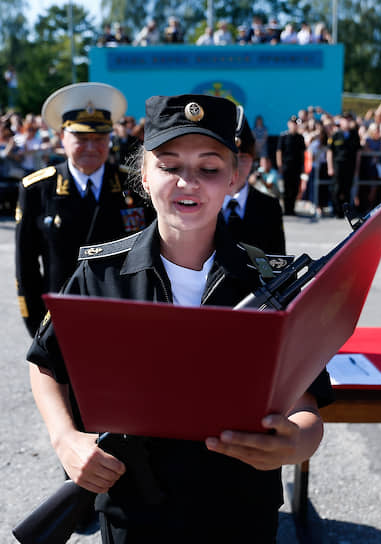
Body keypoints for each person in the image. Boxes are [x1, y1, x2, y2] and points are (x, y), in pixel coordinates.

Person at [26, 93, 333, 543]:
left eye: (209, 168)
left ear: (234, 177)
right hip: (134, 512)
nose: (189, 182)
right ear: (145, 177)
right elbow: (44, 361)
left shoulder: (271, 282)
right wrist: (65, 438)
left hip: (239, 509)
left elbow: (306, 401)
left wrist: (299, 441)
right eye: (169, 166)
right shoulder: (101, 273)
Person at [15, 82, 155, 337]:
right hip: (60, 322)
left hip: (122, 320)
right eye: (81, 138)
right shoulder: (37, 189)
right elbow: (26, 269)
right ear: (61, 137)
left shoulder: (135, 185)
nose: (91, 147)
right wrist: (38, 329)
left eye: (100, 138)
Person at [222, 108, 285, 254]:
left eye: (243, 158)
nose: (236, 166)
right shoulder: (202, 203)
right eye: (231, 158)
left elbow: (279, 263)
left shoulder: (269, 207)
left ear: (252, 160)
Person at [326, 112, 361, 217]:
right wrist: (330, 167)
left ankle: (345, 211)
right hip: (338, 165)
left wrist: (357, 168)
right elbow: (330, 152)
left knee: (347, 188)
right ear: (340, 121)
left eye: (349, 120)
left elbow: (358, 153)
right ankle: (337, 210)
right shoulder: (336, 135)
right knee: (337, 188)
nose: (347, 122)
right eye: (345, 119)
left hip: (350, 165)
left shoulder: (354, 134)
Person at [276, 115, 306, 215]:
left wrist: (303, 166)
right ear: (289, 124)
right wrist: (279, 165)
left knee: (295, 187)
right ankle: (286, 209)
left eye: (295, 124)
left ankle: (292, 208)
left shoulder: (300, 137)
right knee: (287, 188)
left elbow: (302, 153)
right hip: (286, 166)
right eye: (292, 123)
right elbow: (279, 151)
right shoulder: (284, 136)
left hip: (296, 167)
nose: (294, 125)